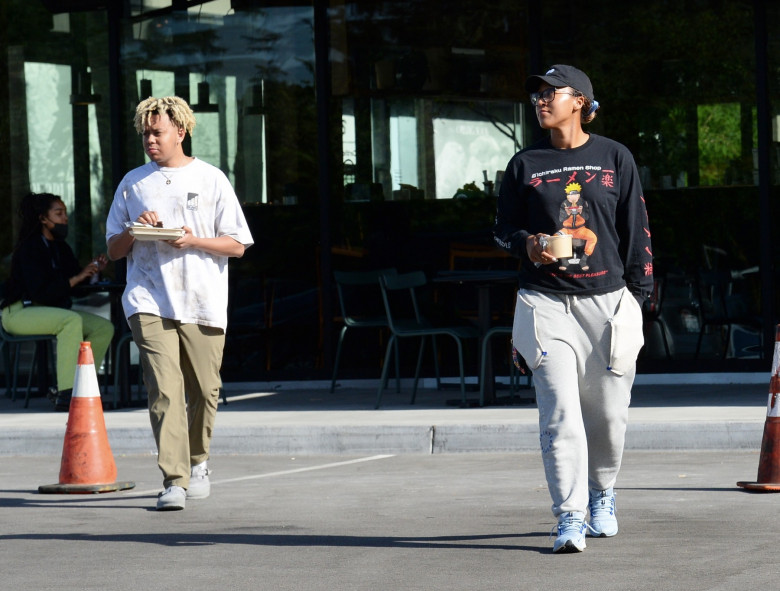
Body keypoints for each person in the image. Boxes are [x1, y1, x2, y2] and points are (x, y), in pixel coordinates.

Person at [493, 65, 653, 553]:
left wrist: (638, 298)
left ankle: (602, 494)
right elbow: (503, 232)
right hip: (544, 302)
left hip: (606, 303)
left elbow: (635, 229)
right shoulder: (524, 164)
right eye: (537, 95)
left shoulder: (614, 157)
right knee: (560, 412)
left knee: (607, 416)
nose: (541, 100)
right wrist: (531, 244)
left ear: (580, 100)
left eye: (551, 92)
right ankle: (568, 516)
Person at [106, 96, 253, 511]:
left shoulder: (211, 179)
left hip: (202, 298)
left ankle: (198, 461)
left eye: (158, 132)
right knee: (164, 390)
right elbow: (115, 249)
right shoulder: (133, 183)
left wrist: (192, 240)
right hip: (147, 297)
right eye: (145, 133)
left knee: (205, 390)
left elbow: (237, 245)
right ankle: (174, 479)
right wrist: (137, 230)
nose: (150, 140)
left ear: (180, 132)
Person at [1, 192, 115, 411]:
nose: (65, 218)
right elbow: (41, 292)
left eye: (65, 213)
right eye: (59, 213)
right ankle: (67, 394)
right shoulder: (29, 248)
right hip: (19, 312)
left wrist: (92, 273)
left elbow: (75, 289)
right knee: (70, 321)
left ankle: (85, 389)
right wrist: (76, 278)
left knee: (103, 327)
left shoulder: (61, 248)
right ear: (43, 218)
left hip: (50, 311)